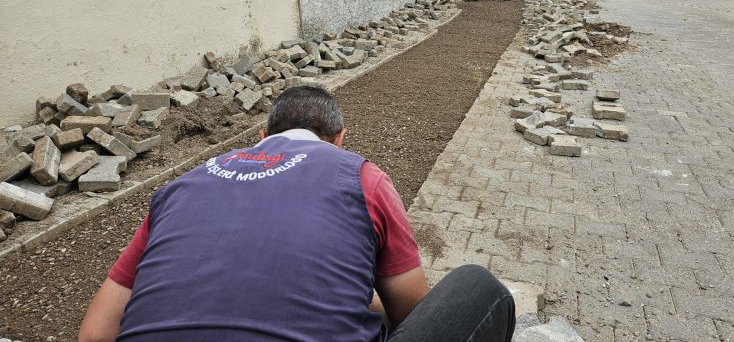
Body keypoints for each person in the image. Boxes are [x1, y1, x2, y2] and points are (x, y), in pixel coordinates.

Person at [79, 85, 516, 342]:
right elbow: (411, 316)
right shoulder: (362, 178)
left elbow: (95, 333)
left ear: (261, 136)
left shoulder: (180, 187)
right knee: (478, 287)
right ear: (340, 139)